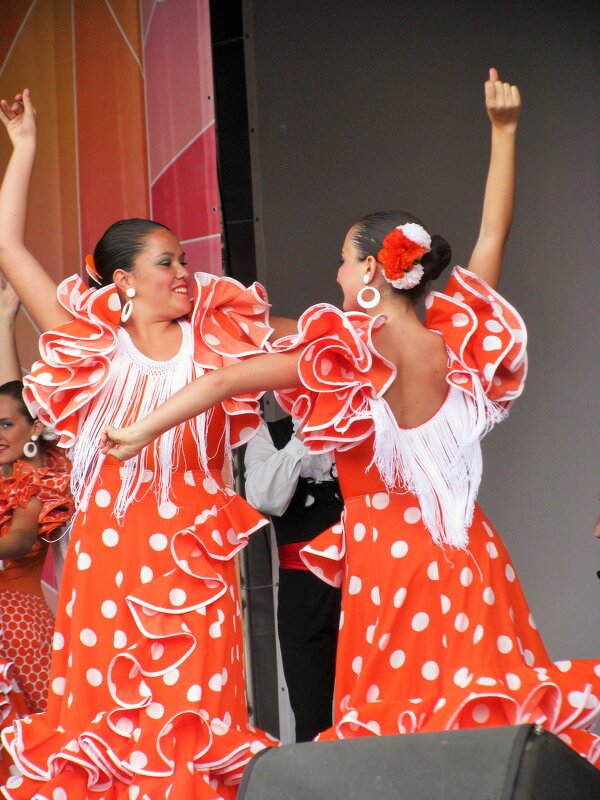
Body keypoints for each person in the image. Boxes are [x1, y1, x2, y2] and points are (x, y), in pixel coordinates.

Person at [101, 69, 600, 764]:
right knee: (483, 718)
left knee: (400, 734)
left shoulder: (342, 352)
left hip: (389, 563)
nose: (336, 273)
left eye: (343, 260)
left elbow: (228, 377)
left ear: (372, 271)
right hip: (468, 552)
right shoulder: (453, 336)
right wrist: (505, 133)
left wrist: (143, 427)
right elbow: (493, 230)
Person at [0, 90, 276, 799]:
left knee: (193, 709)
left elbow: (300, 350)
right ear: (122, 281)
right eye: (164, 262)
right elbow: (7, 248)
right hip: (112, 549)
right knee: (106, 714)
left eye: (183, 260)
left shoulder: (218, 340)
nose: (183, 272)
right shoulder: (91, 347)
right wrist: (24, 147)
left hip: (194, 546)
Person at [0, 278, 72, 782]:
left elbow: (21, 540)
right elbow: (9, 402)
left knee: (34, 747)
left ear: (33, 432)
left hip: (17, 626)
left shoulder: (37, 479)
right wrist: (4, 322)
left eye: (6, 427)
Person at [244, 412, 342, 741]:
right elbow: (262, 497)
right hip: (302, 589)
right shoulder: (266, 431)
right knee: (310, 712)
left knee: (374, 698)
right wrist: (302, 439)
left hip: (367, 578)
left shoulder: (360, 414)